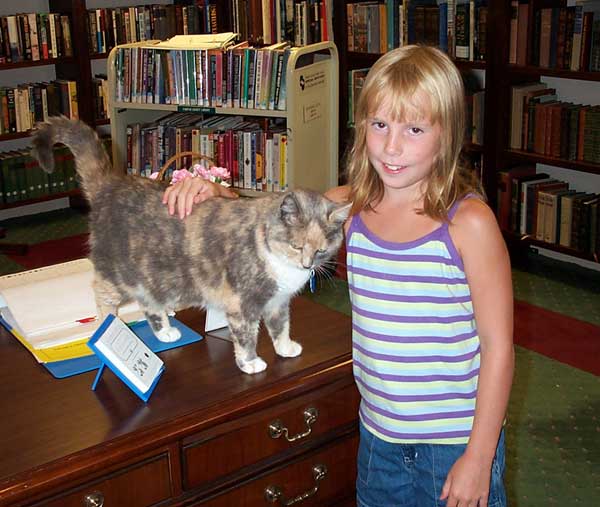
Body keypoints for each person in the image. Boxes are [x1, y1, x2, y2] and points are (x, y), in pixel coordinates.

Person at [162, 44, 514, 507]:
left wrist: (479, 456)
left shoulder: (468, 225)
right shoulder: (347, 209)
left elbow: (499, 349)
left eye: (414, 129)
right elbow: (268, 224)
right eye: (380, 124)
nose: (391, 146)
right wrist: (214, 193)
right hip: (378, 439)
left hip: (454, 445)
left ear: (446, 136)